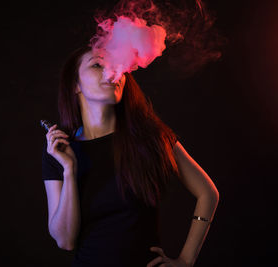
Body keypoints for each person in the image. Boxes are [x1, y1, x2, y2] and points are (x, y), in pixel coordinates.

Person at [41, 45, 219, 267]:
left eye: (117, 66)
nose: (113, 72)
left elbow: (208, 193)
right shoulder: (60, 151)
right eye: (97, 64)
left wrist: (186, 260)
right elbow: (65, 241)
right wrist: (69, 171)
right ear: (75, 85)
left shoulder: (151, 138)